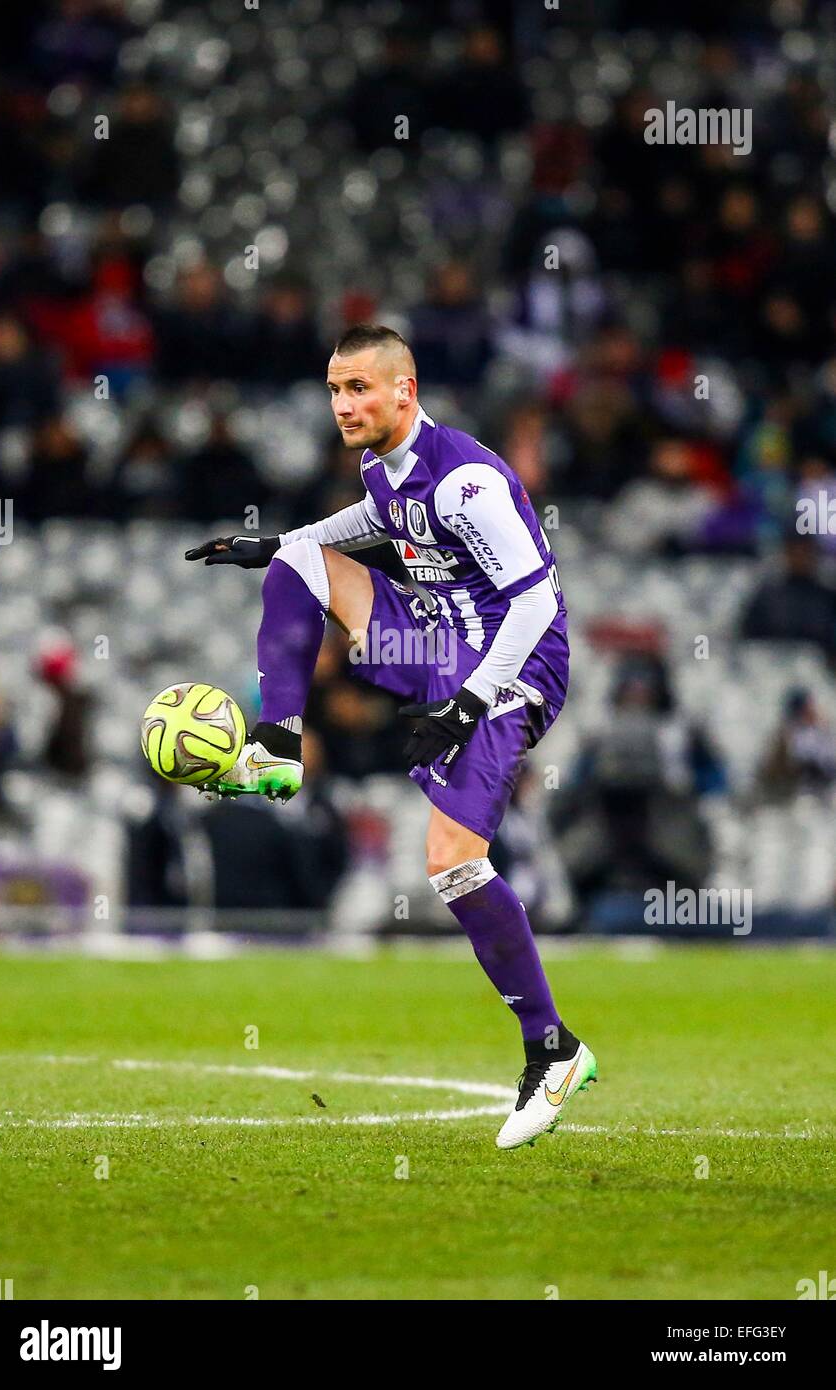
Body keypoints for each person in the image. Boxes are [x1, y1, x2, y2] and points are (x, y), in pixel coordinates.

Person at [184, 324, 596, 1150]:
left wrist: (470, 702)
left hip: (511, 669)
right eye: (335, 390)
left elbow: (538, 606)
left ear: (403, 391)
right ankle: (277, 745)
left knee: (451, 863)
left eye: (359, 389)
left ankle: (553, 1050)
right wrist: (279, 543)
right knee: (297, 563)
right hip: (436, 641)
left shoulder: (468, 482)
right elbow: (377, 519)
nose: (343, 405)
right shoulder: (383, 464)